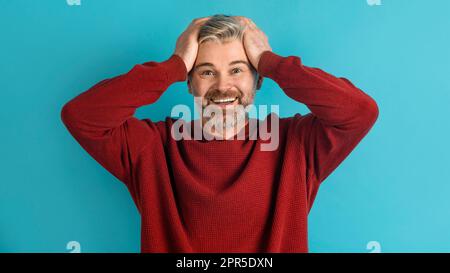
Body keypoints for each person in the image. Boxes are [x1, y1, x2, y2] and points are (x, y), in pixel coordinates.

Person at [61, 14, 379, 253]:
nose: (223, 86)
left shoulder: (295, 144)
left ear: (258, 80)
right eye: (207, 71)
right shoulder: (151, 147)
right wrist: (172, 65)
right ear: (188, 81)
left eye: (238, 69)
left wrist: (271, 61)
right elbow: (81, 116)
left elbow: (359, 112)